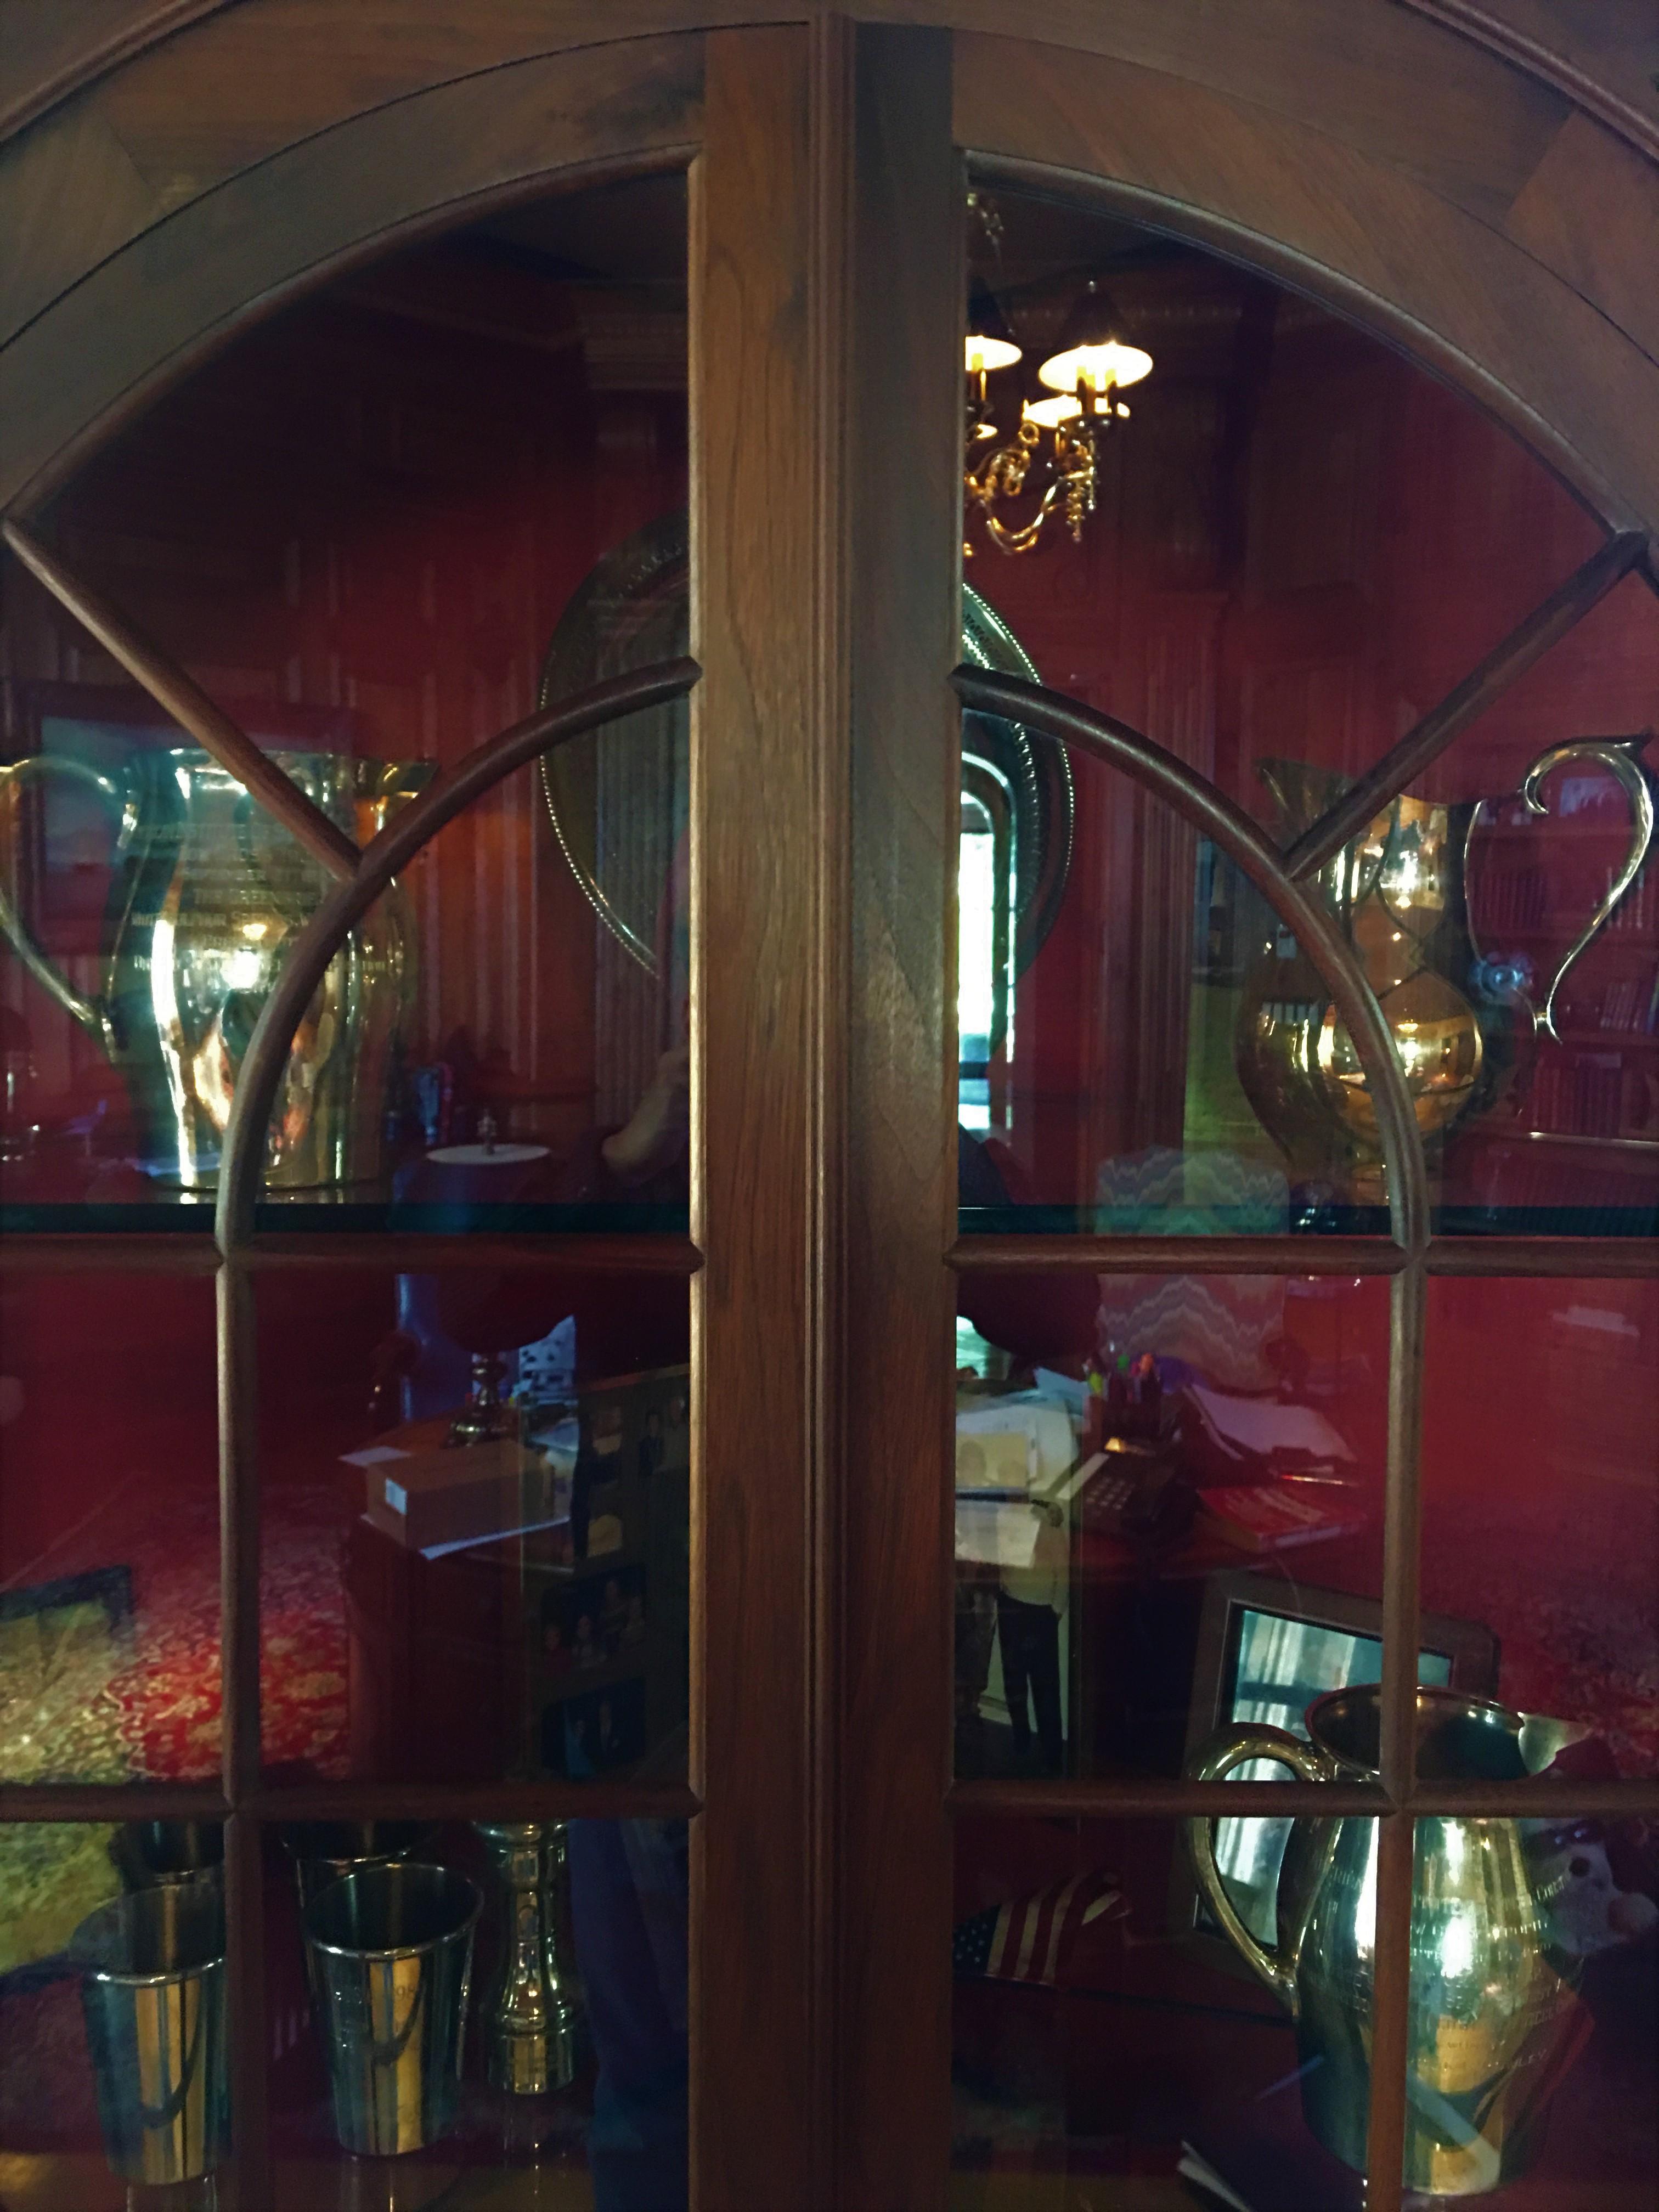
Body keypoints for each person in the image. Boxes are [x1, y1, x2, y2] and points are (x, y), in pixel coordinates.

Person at [560, 1032, 1093, 2212]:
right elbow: (503, 1309)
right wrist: (633, 1150)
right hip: (646, 1623)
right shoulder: (645, 1166)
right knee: (645, 2044)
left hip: (832, 1637)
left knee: (794, 2041)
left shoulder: (912, 1147)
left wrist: (916, 1138)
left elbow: (1059, 1304)